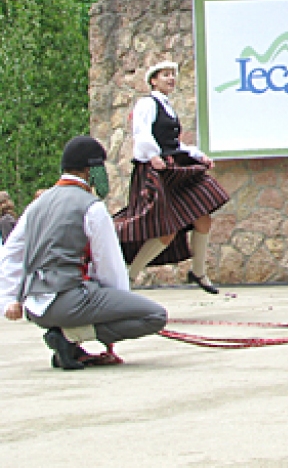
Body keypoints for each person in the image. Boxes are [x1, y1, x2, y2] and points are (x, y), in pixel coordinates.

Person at [1, 136, 167, 370]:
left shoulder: (36, 205)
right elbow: (110, 265)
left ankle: (67, 340)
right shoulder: (91, 206)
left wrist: (9, 299)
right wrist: (118, 306)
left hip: (35, 307)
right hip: (69, 301)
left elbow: (10, 253)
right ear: (90, 170)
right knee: (155, 316)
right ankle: (70, 338)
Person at [116, 61, 230, 294]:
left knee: (202, 218)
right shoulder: (147, 103)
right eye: (165, 75)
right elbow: (142, 133)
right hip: (156, 171)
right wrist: (151, 156)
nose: (171, 78)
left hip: (172, 167)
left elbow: (174, 144)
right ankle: (129, 277)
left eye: (172, 75)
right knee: (166, 231)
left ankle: (198, 272)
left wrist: (199, 155)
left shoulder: (167, 106)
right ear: (153, 81)